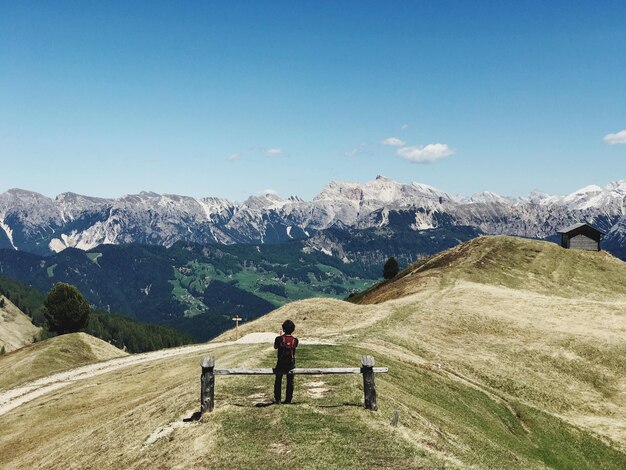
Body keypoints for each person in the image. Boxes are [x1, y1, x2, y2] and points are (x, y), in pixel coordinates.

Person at [273, 319, 299, 404]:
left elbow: (275, 347)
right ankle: (288, 399)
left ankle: (278, 399)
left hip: (280, 364)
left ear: (283, 329)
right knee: (290, 381)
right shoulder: (295, 340)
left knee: (278, 380)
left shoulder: (279, 339)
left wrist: (280, 337)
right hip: (291, 364)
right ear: (293, 329)